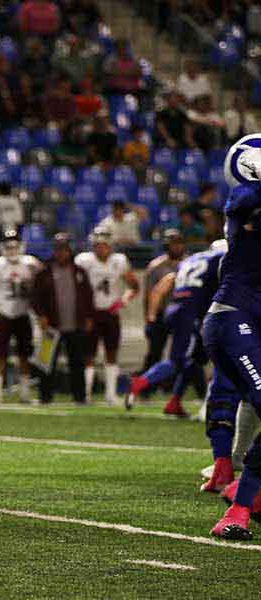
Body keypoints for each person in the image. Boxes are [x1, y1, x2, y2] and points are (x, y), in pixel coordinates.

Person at [206, 136, 261, 538]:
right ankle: (239, 508)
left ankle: (245, 493)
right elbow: (242, 198)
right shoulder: (244, 200)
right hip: (233, 320)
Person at [129, 242, 225, 416]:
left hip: (175, 308)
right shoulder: (218, 261)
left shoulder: (190, 260)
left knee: (194, 359)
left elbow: (164, 284)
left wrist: (151, 314)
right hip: (190, 315)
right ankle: (142, 381)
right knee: (179, 359)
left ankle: (174, 402)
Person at [75, 229, 139, 404]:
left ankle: (110, 395)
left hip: (111, 313)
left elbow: (134, 285)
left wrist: (123, 301)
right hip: (91, 313)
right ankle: (85, 394)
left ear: (110, 245)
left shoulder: (119, 261)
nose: (101, 249)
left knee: (112, 353)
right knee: (89, 354)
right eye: (98, 245)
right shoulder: (84, 261)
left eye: (104, 245)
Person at [31, 233, 95, 404]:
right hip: (51, 324)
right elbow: (35, 298)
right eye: (58, 250)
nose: (61, 253)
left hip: (76, 324)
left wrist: (88, 317)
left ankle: (80, 397)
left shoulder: (79, 271)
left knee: (77, 362)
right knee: (45, 362)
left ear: (70, 251)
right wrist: (41, 316)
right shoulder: (44, 272)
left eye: (64, 250)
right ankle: (45, 396)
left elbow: (88, 296)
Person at [0, 230, 42, 405]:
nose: (12, 249)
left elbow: (38, 290)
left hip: (24, 314)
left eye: (15, 245)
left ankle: (25, 394)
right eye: (8, 246)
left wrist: (37, 317)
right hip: (4, 314)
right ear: (2, 247)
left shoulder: (30, 264)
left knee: (25, 355)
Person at [140, 230, 185, 381]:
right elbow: (149, 294)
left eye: (179, 243)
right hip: (161, 314)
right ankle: (145, 387)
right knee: (154, 352)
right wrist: (149, 318)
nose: (177, 247)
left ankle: (178, 387)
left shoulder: (190, 263)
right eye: (173, 244)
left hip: (183, 313)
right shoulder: (156, 266)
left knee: (184, 352)